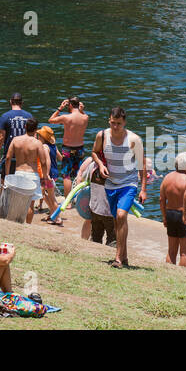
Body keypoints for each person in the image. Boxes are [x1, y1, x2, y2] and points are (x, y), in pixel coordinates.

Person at [90, 106, 146, 269]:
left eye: (119, 124)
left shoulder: (134, 139)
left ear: (124, 123)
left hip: (128, 183)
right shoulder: (102, 135)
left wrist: (143, 189)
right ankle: (125, 256)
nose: (115, 127)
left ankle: (118, 259)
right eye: (113, 123)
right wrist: (100, 164)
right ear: (109, 120)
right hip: (110, 184)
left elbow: (142, 163)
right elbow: (94, 152)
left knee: (121, 216)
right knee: (117, 221)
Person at [4, 119, 51, 224]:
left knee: (17, 202)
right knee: (30, 204)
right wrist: (44, 176)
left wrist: (7, 174)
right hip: (32, 175)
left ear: (25, 127)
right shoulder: (37, 143)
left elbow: (8, 158)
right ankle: (28, 226)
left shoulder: (16, 140)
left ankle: (16, 223)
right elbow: (43, 162)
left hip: (19, 173)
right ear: (35, 130)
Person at [48, 97, 89, 196]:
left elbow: (50, 120)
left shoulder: (66, 117)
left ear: (70, 105)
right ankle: (78, 198)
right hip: (80, 148)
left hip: (68, 149)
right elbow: (83, 115)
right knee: (79, 174)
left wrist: (60, 108)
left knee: (66, 176)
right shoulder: (85, 117)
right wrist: (82, 110)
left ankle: (68, 201)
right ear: (79, 105)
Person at [160, 151, 186, 267]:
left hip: (170, 214)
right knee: (184, 252)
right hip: (183, 215)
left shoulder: (167, 177)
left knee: (171, 250)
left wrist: (164, 217)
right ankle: (183, 275)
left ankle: (169, 271)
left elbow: (161, 199)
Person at [0, 93, 32, 176]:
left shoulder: (5, 116)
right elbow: (33, 136)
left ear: (10, 102)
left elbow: (1, 137)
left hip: (9, 154)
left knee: (4, 179)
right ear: (22, 102)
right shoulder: (29, 116)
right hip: (25, 155)